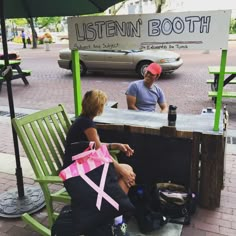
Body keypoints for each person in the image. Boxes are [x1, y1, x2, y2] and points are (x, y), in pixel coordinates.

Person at [64, 89, 136, 236]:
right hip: (79, 170)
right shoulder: (88, 124)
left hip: (83, 164)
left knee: (126, 170)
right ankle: (114, 218)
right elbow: (100, 152)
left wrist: (116, 145)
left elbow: (95, 145)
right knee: (126, 170)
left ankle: (114, 216)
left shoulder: (82, 121)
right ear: (99, 107)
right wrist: (121, 171)